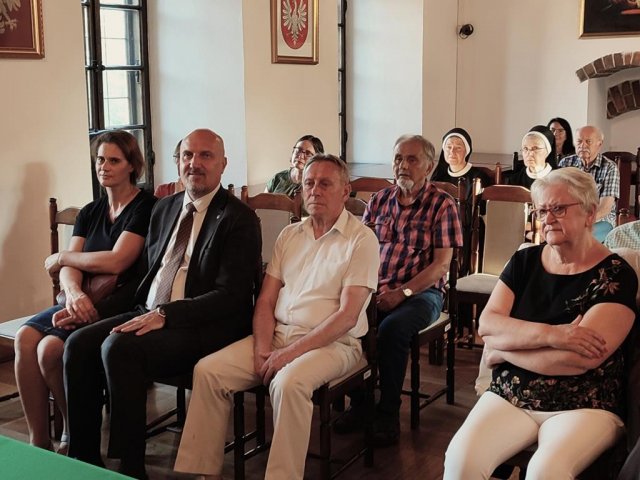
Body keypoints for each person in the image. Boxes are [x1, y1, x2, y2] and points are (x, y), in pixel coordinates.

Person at [62, 129, 262, 479]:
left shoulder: (239, 218)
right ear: (177, 161)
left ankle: (130, 466)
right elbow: (144, 279)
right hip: (150, 311)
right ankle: (84, 458)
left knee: (119, 348)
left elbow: (231, 296)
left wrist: (167, 314)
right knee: (78, 343)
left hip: (202, 323)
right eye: (187, 155)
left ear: (223, 164)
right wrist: (94, 312)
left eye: (205, 156)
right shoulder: (165, 208)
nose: (194, 163)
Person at [174, 154, 380, 480]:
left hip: (335, 344)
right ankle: (201, 473)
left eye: (325, 184)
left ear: (345, 191)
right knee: (209, 371)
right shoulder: (289, 235)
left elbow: (346, 316)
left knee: (288, 383)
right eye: (309, 183)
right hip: (279, 335)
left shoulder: (361, 239)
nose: (314, 190)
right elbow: (266, 300)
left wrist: (287, 355)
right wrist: (262, 348)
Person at [444, 167, 637, 479]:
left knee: (546, 471)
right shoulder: (524, 261)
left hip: (584, 403)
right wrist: (554, 335)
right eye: (541, 210)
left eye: (558, 208)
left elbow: (579, 361)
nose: (548, 218)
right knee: (460, 461)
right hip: (510, 395)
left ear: (589, 213)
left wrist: (504, 352)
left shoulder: (617, 275)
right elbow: (489, 325)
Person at [13, 130, 155, 454]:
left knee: (49, 349)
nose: (104, 166)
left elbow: (118, 260)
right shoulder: (91, 211)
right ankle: (38, 441)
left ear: (132, 166)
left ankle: (74, 432)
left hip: (120, 302)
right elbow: (69, 267)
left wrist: (64, 256)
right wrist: (74, 292)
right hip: (83, 297)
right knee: (24, 338)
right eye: (100, 159)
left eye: (114, 160)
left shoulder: (145, 207)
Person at [337, 134, 463, 446]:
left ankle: (388, 413)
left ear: (429, 167)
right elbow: (360, 251)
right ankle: (361, 402)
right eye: (398, 158)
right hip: (376, 288)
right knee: (345, 321)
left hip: (422, 294)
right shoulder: (379, 201)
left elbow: (441, 266)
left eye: (411, 159)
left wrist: (402, 293)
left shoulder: (442, 204)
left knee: (392, 330)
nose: (402, 165)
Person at [432, 128, 490, 275]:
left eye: (458, 148)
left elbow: (482, 210)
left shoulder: (479, 176)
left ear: (467, 151)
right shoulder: (438, 176)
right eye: (448, 147)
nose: (452, 151)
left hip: (469, 226)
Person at [559, 125, 620, 242]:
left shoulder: (610, 167)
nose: (583, 145)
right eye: (579, 141)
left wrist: (581, 221)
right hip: (569, 219)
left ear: (599, 144)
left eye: (588, 141)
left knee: (578, 239)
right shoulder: (565, 163)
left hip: (600, 220)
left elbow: (605, 208)